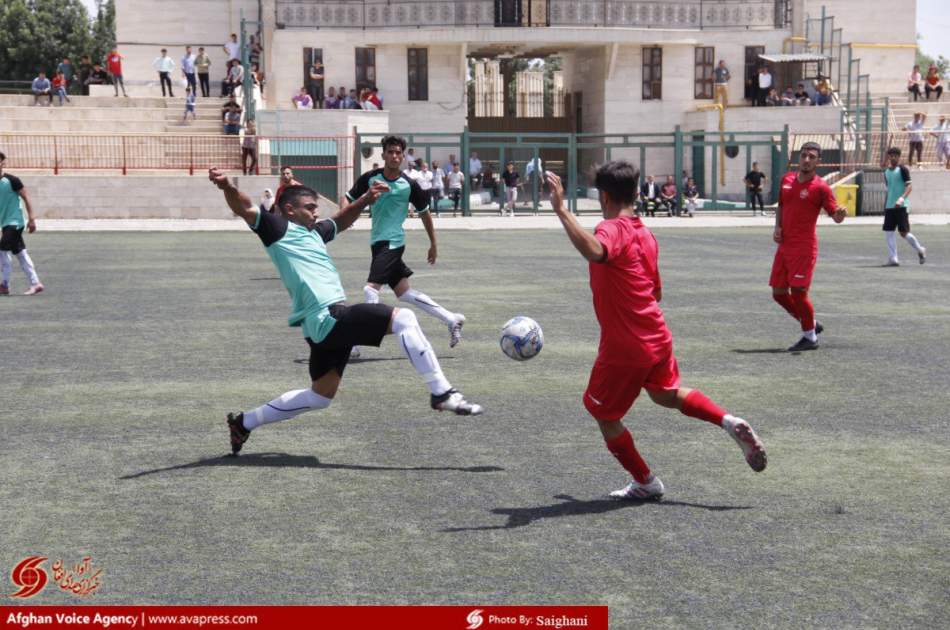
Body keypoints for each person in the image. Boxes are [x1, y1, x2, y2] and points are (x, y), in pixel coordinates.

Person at [209, 169, 482, 454]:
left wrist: (365, 199)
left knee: (320, 397)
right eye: (310, 208)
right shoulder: (277, 229)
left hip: (320, 329)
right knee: (405, 318)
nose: (316, 213)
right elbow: (245, 207)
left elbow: (341, 220)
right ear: (289, 210)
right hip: (326, 318)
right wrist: (228, 185)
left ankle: (244, 422)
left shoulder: (314, 233)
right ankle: (441, 392)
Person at [545, 163, 766, 501]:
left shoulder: (612, 228)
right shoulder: (645, 234)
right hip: (657, 335)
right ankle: (727, 421)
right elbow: (655, 291)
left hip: (626, 346)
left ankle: (646, 482)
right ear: (636, 193)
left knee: (602, 412)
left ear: (603, 196)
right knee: (665, 394)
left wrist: (561, 210)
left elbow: (596, 251)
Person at [346, 135, 466, 359]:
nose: (394, 156)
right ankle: (451, 319)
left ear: (403, 156)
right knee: (405, 293)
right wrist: (346, 216)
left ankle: (356, 343)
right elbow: (348, 198)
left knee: (370, 290)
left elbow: (424, 214)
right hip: (378, 242)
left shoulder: (409, 185)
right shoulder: (370, 178)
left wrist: (433, 244)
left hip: (392, 243)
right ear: (383, 155)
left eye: (398, 152)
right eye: (390, 152)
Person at [770, 142, 846, 352]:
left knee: (799, 293)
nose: (806, 159)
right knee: (778, 293)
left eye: (811, 156)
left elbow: (835, 216)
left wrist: (840, 215)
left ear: (818, 161)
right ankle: (810, 323)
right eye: (803, 155)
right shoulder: (786, 180)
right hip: (784, 246)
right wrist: (777, 227)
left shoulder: (821, 187)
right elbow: (782, 206)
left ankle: (810, 337)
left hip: (804, 248)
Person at [0, 152, 43, 296]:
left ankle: (4, 285)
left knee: (2, 250)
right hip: (5, 224)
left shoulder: (12, 180)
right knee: (21, 254)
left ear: (3, 163)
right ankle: (35, 283)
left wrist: (31, 219)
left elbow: (26, 197)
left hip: (15, 223)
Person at [881, 147, 926, 266]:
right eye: (891, 155)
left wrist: (901, 199)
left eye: (896, 155)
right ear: (889, 157)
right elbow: (889, 188)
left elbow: (909, 187)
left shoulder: (903, 170)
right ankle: (893, 258)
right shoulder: (886, 172)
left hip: (902, 206)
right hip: (890, 207)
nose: (893, 157)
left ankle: (920, 250)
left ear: (899, 157)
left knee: (903, 233)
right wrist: (887, 204)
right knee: (889, 232)